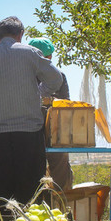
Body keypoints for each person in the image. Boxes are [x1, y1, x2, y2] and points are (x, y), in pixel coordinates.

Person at [0, 16, 64, 208]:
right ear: (20, 35)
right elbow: (56, 80)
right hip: (29, 135)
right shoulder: (31, 53)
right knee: (29, 195)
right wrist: (38, 94)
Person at [28, 37, 74, 191]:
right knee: (34, 169)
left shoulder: (59, 76)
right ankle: (36, 203)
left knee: (60, 162)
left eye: (47, 57)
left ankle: (61, 202)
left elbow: (66, 103)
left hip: (56, 132)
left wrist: (51, 101)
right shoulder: (25, 77)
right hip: (32, 130)